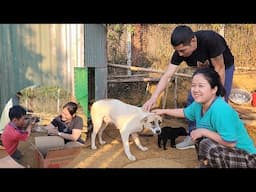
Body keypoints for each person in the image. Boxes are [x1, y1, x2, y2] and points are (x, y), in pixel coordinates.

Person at [143, 25, 235, 150]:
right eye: (177, 51)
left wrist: (218, 94)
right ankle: (193, 135)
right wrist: (153, 98)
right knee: (193, 100)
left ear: (193, 41)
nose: (180, 54)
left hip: (224, 68)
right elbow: (167, 75)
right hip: (204, 70)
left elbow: (219, 68)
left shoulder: (210, 40)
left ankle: (220, 138)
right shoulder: (179, 52)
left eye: (183, 50)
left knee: (219, 103)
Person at [152, 68, 256, 168]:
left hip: (248, 158)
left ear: (214, 89)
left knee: (207, 144)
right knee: (200, 139)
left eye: (201, 86)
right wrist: (163, 111)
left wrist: (203, 131)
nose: (195, 90)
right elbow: (184, 112)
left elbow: (231, 142)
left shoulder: (220, 109)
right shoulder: (199, 104)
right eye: (193, 86)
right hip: (229, 153)